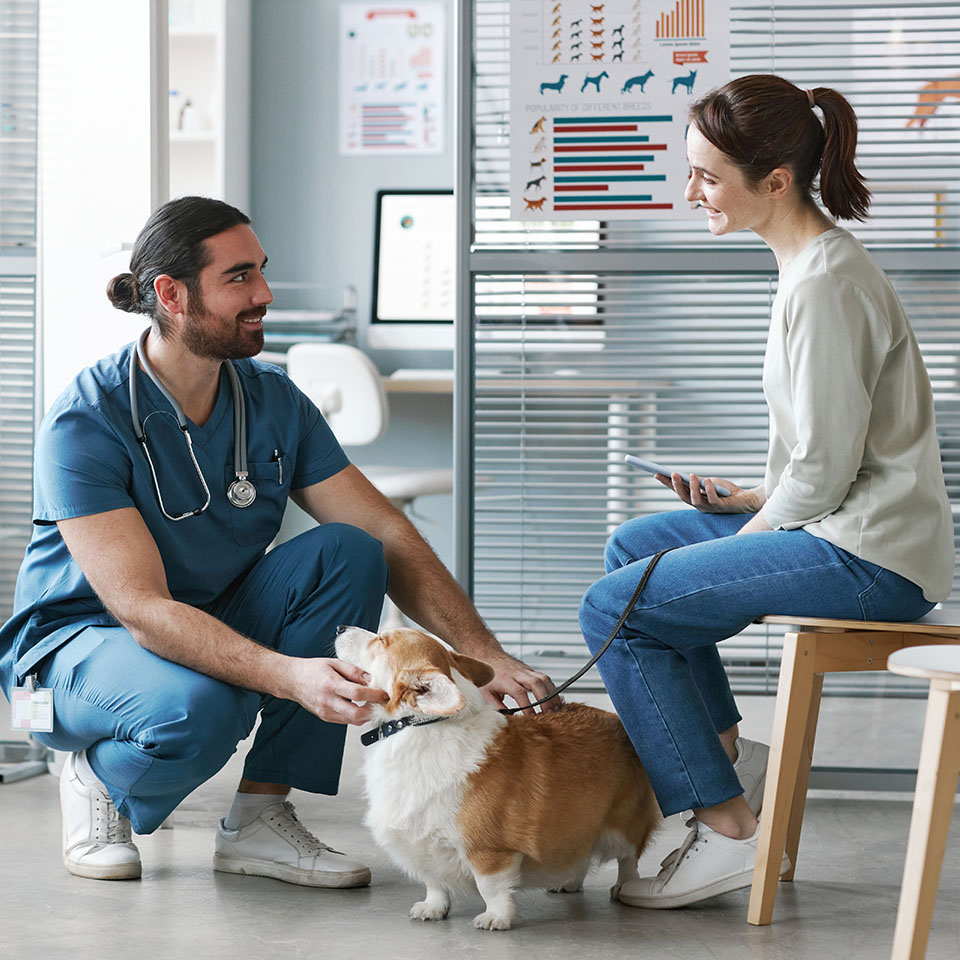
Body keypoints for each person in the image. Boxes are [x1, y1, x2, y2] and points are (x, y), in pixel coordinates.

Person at [0, 196, 556, 885]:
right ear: (171, 295)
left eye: (260, 272)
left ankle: (259, 819)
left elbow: (383, 528)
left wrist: (482, 653)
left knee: (353, 551)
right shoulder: (87, 419)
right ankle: (98, 776)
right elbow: (140, 607)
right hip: (74, 648)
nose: (263, 294)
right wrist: (288, 675)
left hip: (203, 616)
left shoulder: (272, 400)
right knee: (201, 707)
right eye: (239, 278)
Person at [578, 75, 954, 909]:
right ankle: (720, 755)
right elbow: (832, 460)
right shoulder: (806, 268)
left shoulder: (824, 283)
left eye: (708, 177)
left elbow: (823, 474)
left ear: (775, 181)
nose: (691, 192)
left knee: (614, 609)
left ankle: (724, 826)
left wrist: (746, 539)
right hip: (854, 530)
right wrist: (747, 501)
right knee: (634, 549)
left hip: (873, 559)